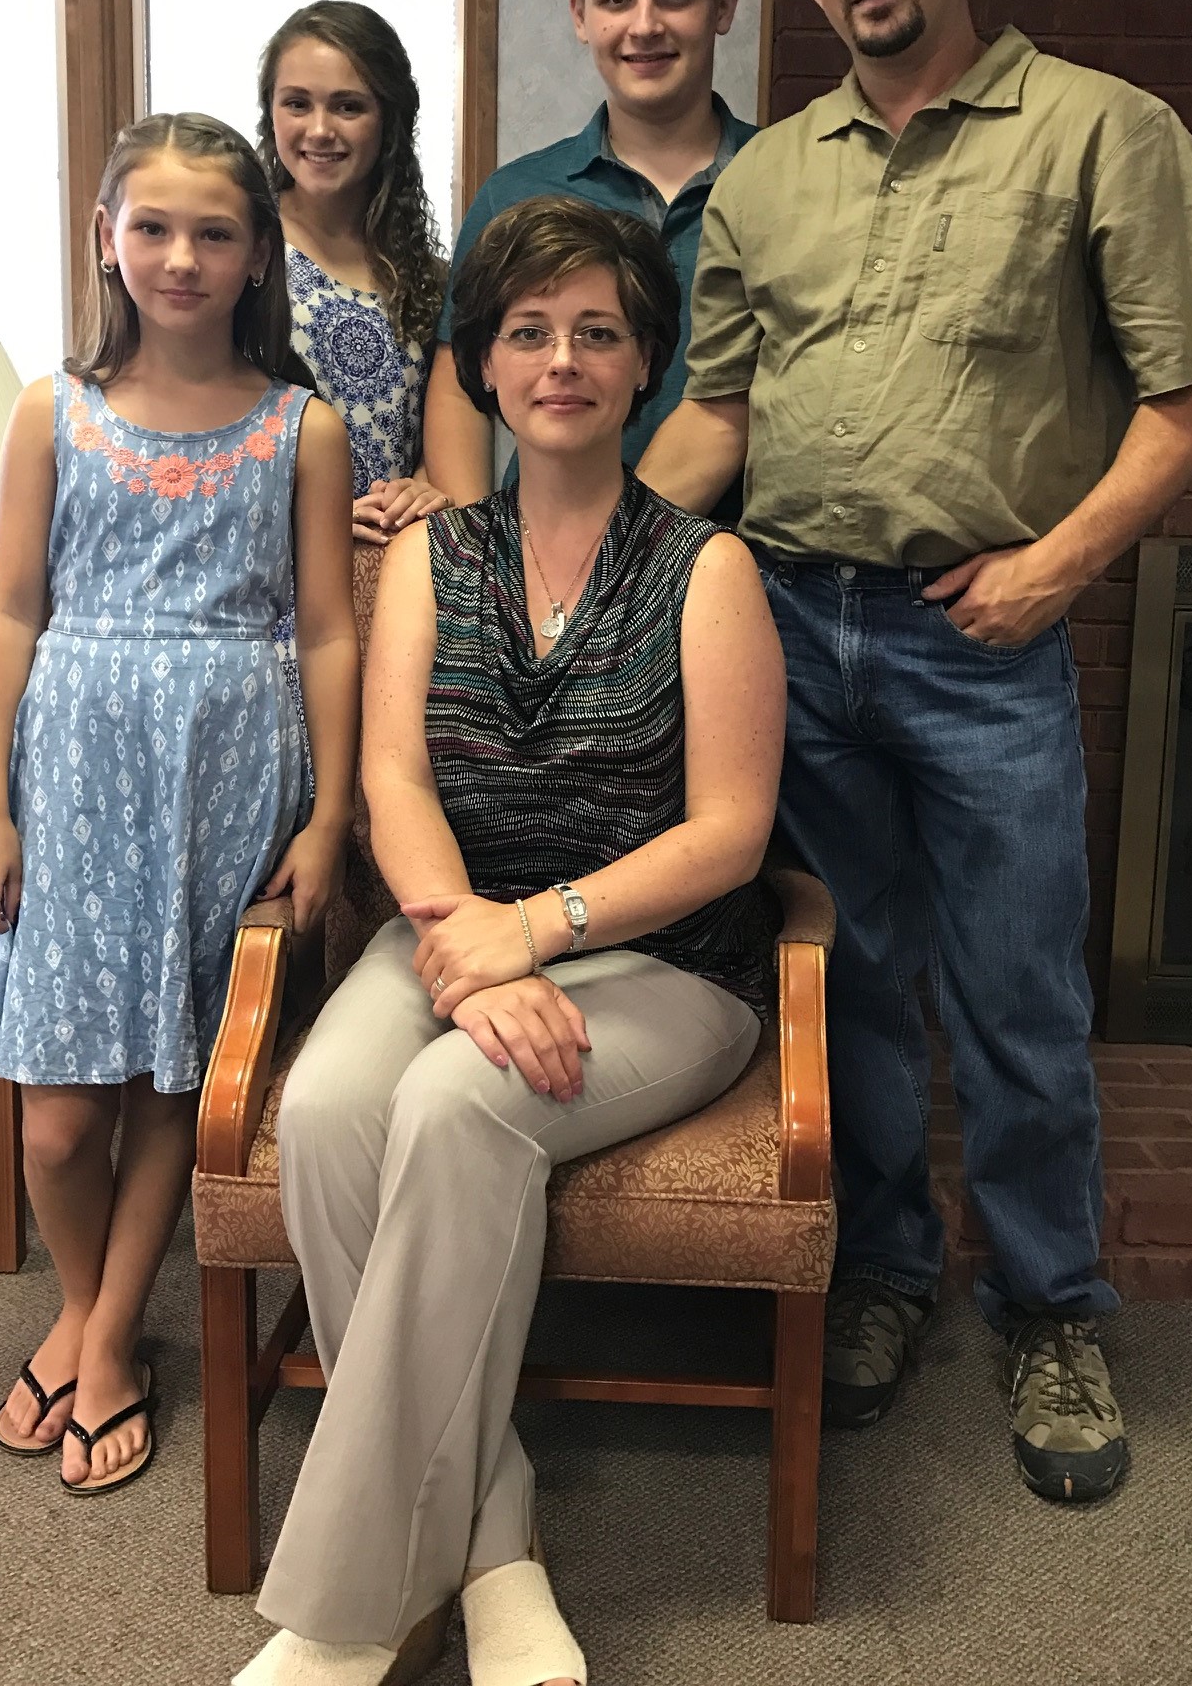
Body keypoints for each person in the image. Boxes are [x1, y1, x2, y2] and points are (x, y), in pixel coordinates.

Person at [640, 0, 1192, 1504]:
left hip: (981, 644)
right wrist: (579, 546)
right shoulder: (768, 175)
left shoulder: (1099, 134)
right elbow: (720, 416)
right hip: (789, 637)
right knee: (850, 986)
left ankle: (1052, 1306)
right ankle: (894, 1274)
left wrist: (1056, 567)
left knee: (1018, 997)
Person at [238, 197, 785, 1686]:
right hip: (452, 929)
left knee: (457, 1103)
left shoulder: (710, 571)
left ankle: (347, 1616)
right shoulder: (429, 555)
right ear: (481, 362)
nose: (563, 360)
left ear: (645, 362)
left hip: (664, 964)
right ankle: (494, 1544)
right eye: (529, 332)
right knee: (338, 1105)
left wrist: (531, 935)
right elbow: (395, 779)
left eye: (598, 332)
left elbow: (730, 834)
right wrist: (457, 934)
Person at [0, 113, 360, 1495]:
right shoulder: (47, 409)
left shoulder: (304, 427)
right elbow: (7, 612)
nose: (181, 257)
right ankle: (89, 1303)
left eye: (216, 232)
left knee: (178, 1069)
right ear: (107, 239)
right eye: (154, 227)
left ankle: (109, 1337)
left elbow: (325, 633)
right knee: (60, 1117)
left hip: (232, 773)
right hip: (69, 781)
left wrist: (329, 815)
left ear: (258, 256)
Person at [423, 0, 754, 518]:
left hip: (737, 567)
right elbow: (460, 384)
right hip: (540, 564)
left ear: (723, 6)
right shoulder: (514, 195)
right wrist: (479, 553)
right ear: (580, 16)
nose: (645, 25)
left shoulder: (782, 182)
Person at [257, 0, 452, 549]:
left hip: (395, 573)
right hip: (269, 573)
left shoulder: (428, 276)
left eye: (347, 106)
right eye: (297, 103)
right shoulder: (241, 255)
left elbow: (439, 452)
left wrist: (424, 488)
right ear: (269, 113)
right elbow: (199, 429)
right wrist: (310, 517)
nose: (319, 130)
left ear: (389, 120)